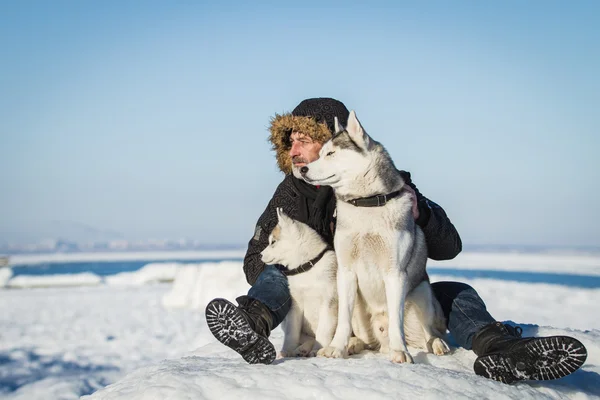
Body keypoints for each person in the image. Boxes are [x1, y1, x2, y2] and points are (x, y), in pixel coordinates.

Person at [205, 98, 587, 383]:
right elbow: (254, 258)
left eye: (303, 140)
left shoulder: (394, 185)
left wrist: (421, 213)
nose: (294, 151)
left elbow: (449, 247)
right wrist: (310, 266)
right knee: (276, 271)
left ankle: (500, 349)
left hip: (392, 300)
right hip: (340, 306)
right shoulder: (290, 193)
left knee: (456, 291)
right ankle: (252, 326)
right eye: (289, 143)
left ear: (331, 141)